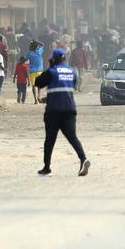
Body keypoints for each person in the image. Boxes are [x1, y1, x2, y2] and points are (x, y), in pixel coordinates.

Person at [34, 48, 90, 177]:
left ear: (53, 59)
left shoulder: (52, 72)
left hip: (54, 112)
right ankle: (83, 159)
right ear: (64, 58)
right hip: (69, 110)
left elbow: (38, 82)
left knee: (50, 140)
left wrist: (50, 66)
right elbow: (65, 89)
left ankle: (47, 167)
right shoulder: (72, 72)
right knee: (72, 137)